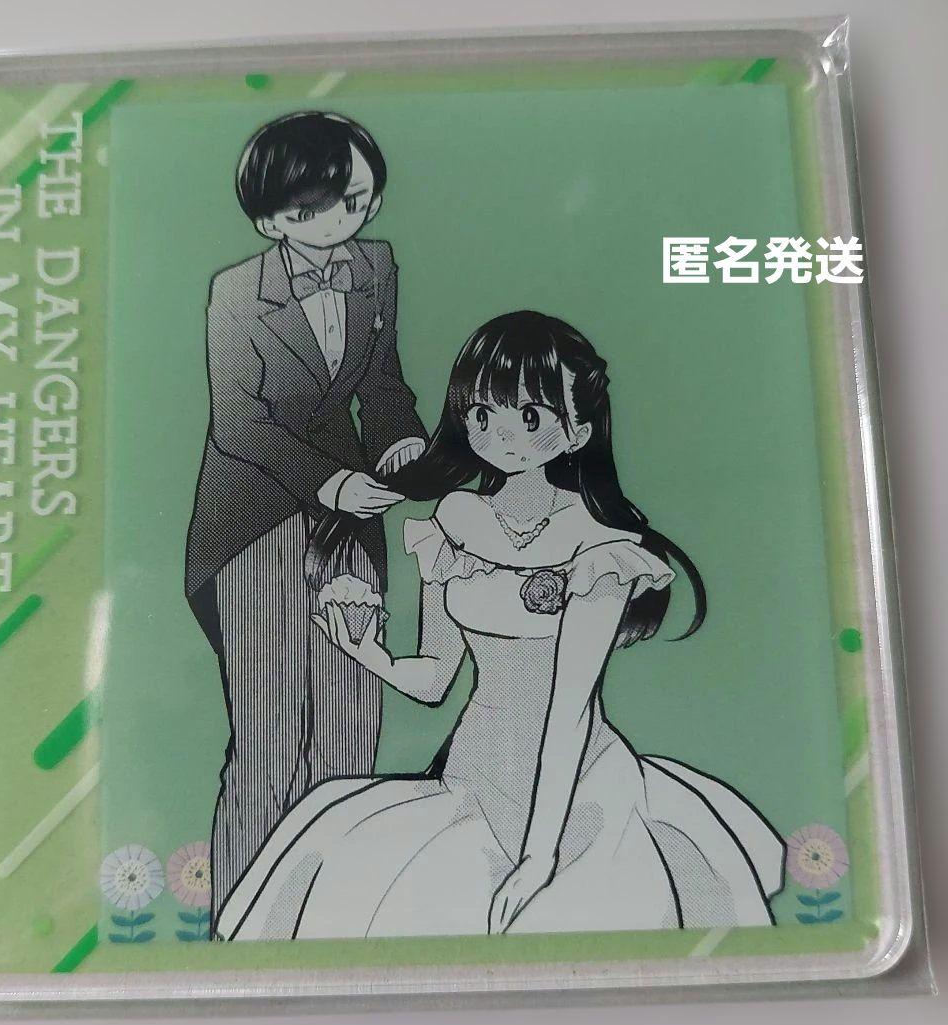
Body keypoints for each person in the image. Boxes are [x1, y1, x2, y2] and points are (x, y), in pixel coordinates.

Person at [214, 311, 784, 940]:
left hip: (575, 786)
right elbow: (436, 678)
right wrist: (367, 651)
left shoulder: (599, 549)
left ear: (577, 433)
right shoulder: (455, 520)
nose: (501, 433)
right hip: (471, 774)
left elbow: (568, 712)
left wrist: (540, 857)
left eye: (531, 417)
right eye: (483, 413)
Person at [185, 112, 428, 927]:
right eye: (316, 207)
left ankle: (333, 923)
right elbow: (238, 425)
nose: (343, 218)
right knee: (268, 741)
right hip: (255, 518)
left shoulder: (377, 267)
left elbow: (383, 386)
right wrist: (332, 485)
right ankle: (237, 929)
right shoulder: (234, 292)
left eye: (357, 198)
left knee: (349, 735)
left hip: (351, 517)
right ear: (273, 219)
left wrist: (400, 444)